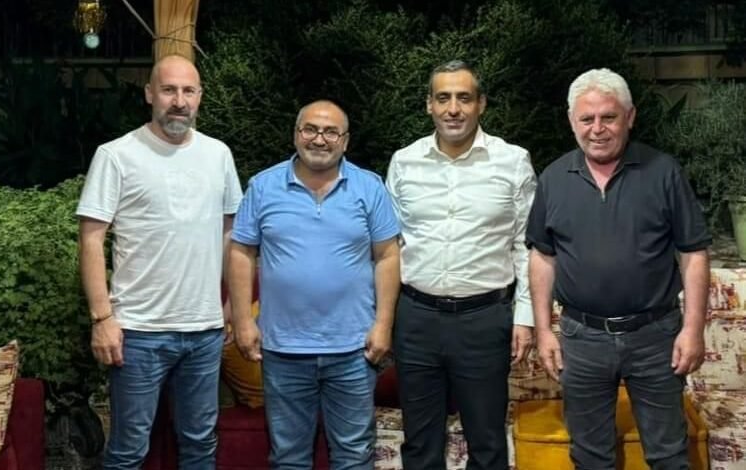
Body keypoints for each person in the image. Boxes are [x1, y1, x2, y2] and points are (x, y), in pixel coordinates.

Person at [526, 68, 711, 469]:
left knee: (669, 456)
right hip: (582, 339)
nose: (597, 129)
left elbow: (693, 253)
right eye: (586, 119)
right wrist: (543, 330)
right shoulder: (554, 178)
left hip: (656, 337)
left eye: (608, 117)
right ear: (572, 121)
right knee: (590, 457)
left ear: (630, 117)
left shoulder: (664, 172)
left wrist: (693, 328)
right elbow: (542, 257)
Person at [77, 54, 243, 469]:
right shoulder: (116, 155)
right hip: (138, 331)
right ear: (150, 94)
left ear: (200, 96)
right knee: (129, 449)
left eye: (188, 91)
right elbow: (91, 239)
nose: (179, 101)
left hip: (204, 331)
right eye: (169, 90)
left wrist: (232, 307)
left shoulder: (218, 154)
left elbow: (230, 233)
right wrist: (102, 318)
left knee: (200, 444)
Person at [227, 100, 400, 469]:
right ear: (296, 134)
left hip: (354, 349)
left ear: (345, 141)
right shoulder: (263, 186)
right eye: (310, 129)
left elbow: (387, 256)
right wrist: (242, 321)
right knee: (289, 457)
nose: (319, 139)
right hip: (283, 349)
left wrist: (384, 324)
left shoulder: (369, 187)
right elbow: (241, 252)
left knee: (353, 456)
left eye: (331, 132)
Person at [385, 60, 536, 470]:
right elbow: (389, 246)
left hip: (484, 320)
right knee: (420, 445)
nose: (453, 109)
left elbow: (526, 246)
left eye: (464, 98)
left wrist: (525, 317)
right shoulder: (404, 162)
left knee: (487, 445)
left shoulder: (513, 161)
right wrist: (384, 318)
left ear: (480, 104)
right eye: (443, 98)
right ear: (429, 105)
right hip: (416, 319)